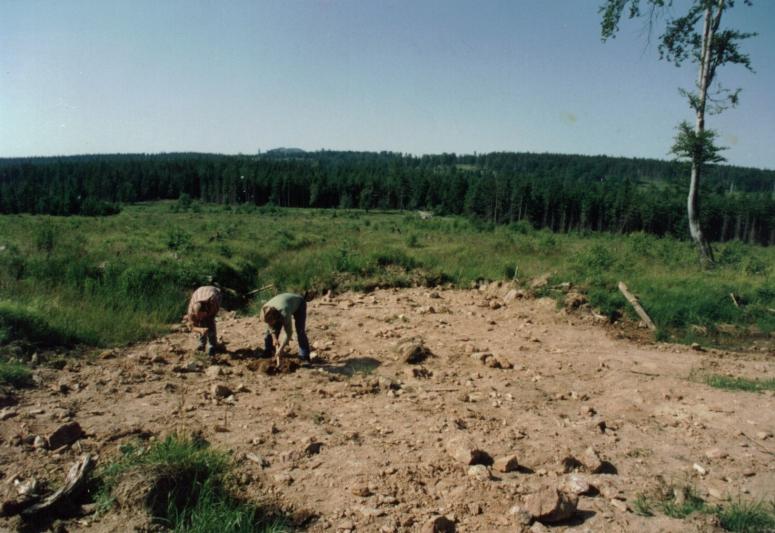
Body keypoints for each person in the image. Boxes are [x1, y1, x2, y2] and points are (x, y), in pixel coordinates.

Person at [261, 292, 310, 364]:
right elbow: (270, 326)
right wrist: (274, 339)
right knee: (268, 332)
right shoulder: (264, 311)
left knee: (300, 331)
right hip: (283, 304)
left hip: (299, 304)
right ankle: (268, 351)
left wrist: (281, 349)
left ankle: (304, 356)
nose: (270, 323)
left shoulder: (285, 313)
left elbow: (289, 333)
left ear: (276, 318)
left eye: (272, 322)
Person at [186, 285, 222, 356]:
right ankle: (202, 345)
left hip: (215, 292)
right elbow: (192, 327)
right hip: (199, 292)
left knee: (209, 322)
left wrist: (207, 328)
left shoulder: (213, 304)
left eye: (201, 315)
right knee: (201, 323)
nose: (199, 317)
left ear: (206, 311)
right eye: (198, 316)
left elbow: (210, 318)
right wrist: (200, 330)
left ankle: (213, 346)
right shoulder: (191, 311)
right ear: (194, 312)